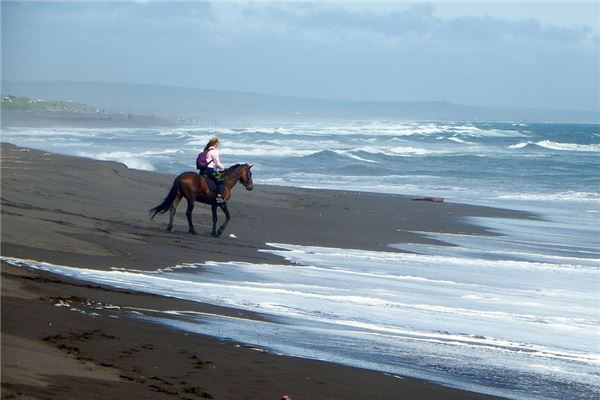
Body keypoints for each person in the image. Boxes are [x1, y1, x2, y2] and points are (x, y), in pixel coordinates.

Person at [198, 136, 228, 203]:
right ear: (216, 143)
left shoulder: (206, 151)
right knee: (221, 180)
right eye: (217, 144)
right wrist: (223, 168)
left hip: (203, 170)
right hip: (210, 170)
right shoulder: (214, 151)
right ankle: (219, 198)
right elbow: (217, 163)